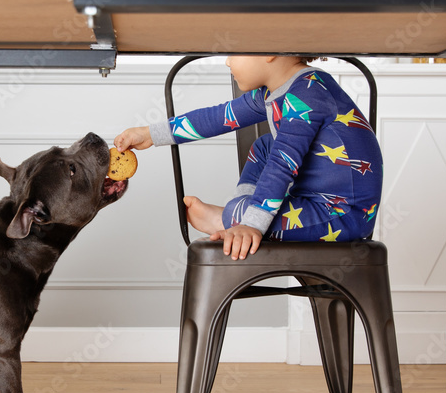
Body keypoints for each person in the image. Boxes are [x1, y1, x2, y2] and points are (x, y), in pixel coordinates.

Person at [114, 55, 382, 260]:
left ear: (269, 50)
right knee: (265, 144)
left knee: (270, 170)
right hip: (313, 201)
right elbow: (217, 117)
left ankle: (228, 217)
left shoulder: (308, 95)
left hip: (342, 215)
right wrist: (150, 134)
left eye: (235, 52)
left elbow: (283, 164)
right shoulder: (274, 92)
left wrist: (251, 224)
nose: (228, 61)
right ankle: (242, 211)